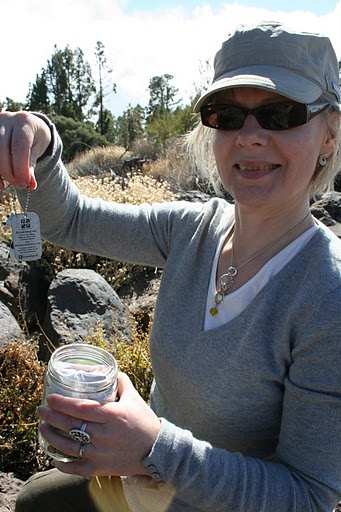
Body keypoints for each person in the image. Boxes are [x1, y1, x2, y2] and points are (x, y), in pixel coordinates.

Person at [1, 20, 340, 512]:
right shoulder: (189, 230)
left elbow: (307, 497)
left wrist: (153, 447)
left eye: (280, 114)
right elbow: (70, 220)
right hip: (142, 484)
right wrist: (42, 141)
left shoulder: (327, 296)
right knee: (34, 502)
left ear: (329, 136)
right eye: (227, 115)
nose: (249, 137)